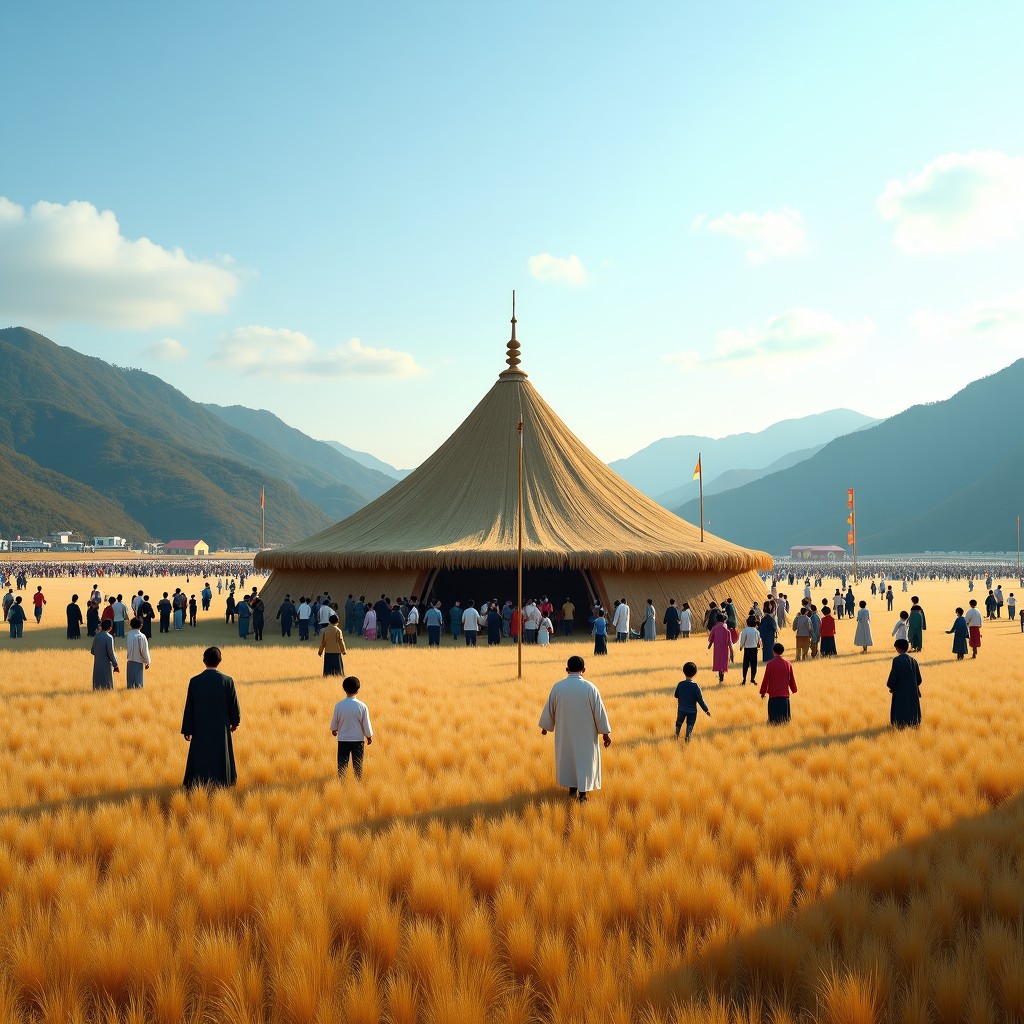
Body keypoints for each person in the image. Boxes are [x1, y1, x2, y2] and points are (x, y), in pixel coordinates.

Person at [538, 655, 612, 803]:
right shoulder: (590, 688)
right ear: (584, 670)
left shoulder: (558, 687)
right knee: (584, 761)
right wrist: (605, 734)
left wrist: (546, 727)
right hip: (586, 737)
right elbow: (600, 713)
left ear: (567, 670)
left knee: (568, 759)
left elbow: (550, 709)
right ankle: (583, 795)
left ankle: (572, 791)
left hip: (565, 735)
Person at [181, 647, 241, 788]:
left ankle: (198, 782)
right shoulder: (227, 680)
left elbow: (189, 706)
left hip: (200, 727)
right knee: (220, 754)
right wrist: (235, 722)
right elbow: (233, 704)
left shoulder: (195, 681)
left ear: (203, 660)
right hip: (221, 727)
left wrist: (187, 729)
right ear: (220, 661)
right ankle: (222, 782)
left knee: (201, 754)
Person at [331, 676, 374, 779]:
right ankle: (358, 782)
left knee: (342, 764)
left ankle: (342, 782)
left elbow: (334, 723)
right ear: (358, 690)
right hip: (358, 741)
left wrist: (334, 730)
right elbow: (366, 723)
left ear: (344, 689)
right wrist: (369, 736)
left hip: (343, 740)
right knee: (358, 764)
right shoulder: (362, 706)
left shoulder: (339, 705)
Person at [887, 638, 922, 728]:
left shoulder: (897, 660)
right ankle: (913, 723)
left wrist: (891, 687)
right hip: (912, 690)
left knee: (901, 707)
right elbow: (919, 679)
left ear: (898, 648)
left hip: (900, 690)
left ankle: (900, 724)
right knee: (911, 706)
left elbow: (893, 675)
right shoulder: (914, 660)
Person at [759, 642, 797, 723]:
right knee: (785, 722)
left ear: (773, 651)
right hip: (785, 699)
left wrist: (763, 692)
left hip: (773, 698)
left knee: (773, 722)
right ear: (782, 651)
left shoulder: (770, 664)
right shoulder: (788, 664)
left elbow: (766, 680)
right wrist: (794, 689)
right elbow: (791, 679)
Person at [674, 661, 711, 741]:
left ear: (684, 671)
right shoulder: (695, 686)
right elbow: (700, 700)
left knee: (679, 723)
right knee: (690, 725)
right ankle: (687, 737)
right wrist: (706, 710)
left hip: (681, 709)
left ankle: (676, 735)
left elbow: (676, 695)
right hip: (692, 712)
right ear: (695, 673)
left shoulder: (680, 684)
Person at [91, 620, 119, 691]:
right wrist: (115, 665)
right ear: (110, 628)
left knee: (98, 683)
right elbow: (111, 653)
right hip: (107, 664)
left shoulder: (97, 636)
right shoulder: (109, 638)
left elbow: (92, 651)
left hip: (97, 663)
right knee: (107, 684)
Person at [125, 616, 151, 688]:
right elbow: (144, 651)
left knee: (130, 684)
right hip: (138, 662)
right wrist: (148, 661)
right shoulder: (141, 636)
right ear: (141, 625)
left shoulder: (129, 635)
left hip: (130, 661)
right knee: (138, 684)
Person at [707, 613, 734, 682]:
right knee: (723, 663)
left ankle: (720, 677)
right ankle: (722, 677)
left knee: (718, 663)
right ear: (724, 620)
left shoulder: (714, 628)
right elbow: (730, 643)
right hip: (725, 649)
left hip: (717, 650)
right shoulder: (727, 630)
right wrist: (732, 653)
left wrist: (709, 646)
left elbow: (711, 639)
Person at [738, 616, 761, 684]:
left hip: (747, 650)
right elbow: (758, 641)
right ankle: (752, 678)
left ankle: (744, 679)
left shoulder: (745, 630)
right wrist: (759, 645)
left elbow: (742, 640)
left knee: (745, 664)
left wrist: (741, 646)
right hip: (754, 650)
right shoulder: (756, 631)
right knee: (754, 665)